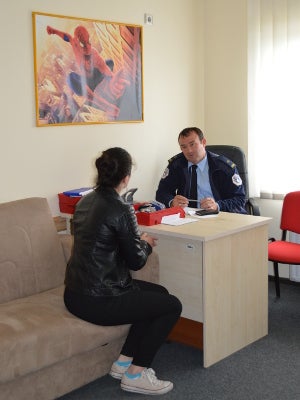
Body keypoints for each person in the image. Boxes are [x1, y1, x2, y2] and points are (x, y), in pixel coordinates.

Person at [64, 147, 182, 396]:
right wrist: (146, 244)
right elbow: (136, 262)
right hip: (100, 300)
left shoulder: (85, 201)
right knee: (172, 305)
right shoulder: (121, 208)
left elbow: (100, 241)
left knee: (158, 294)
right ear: (126, 177)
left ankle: (124, 361)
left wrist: (131, 240)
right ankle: (136, 374)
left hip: (75, 294)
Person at [156, 127, 247, 214]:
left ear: (203, 142)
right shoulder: (176, 165)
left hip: (219, 216)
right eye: (184, 147)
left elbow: (240, 199)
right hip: (187, 218)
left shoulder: (223, 167)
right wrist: (172, 202)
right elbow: (162, 193)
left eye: (192, 144)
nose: (189, 151)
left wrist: (217, 206)